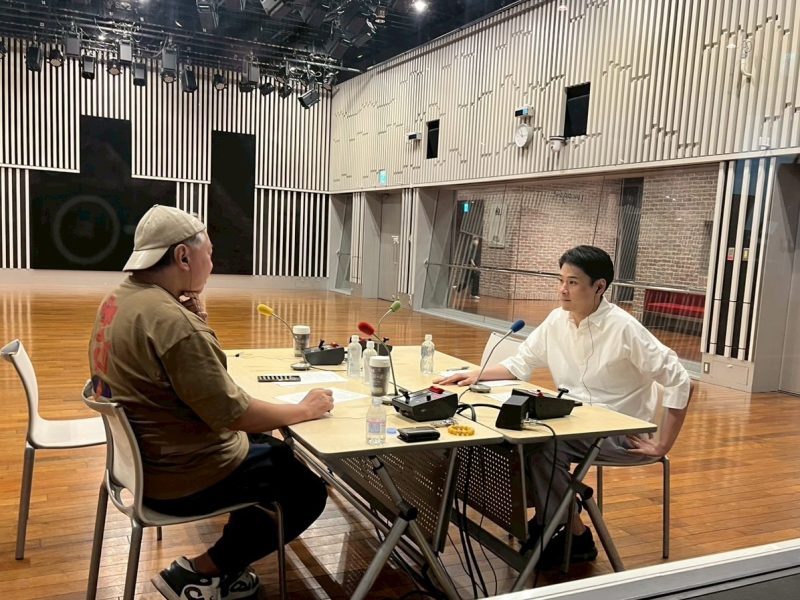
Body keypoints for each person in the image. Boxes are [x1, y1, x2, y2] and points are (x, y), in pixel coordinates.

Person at [88, 205, 334, 600]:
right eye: (210, 253)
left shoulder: (120, 300)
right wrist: (305, 409)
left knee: (269, 450)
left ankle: (226, 567)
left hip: (138, 464)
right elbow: (234, 413)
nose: (213, 264)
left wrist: (196, 319)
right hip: (179, 477)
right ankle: (201, 571)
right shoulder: (172, 322)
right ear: (183, 256)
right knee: (305, 489)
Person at [436, 245, 693, 566]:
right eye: (560, 280)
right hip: (574, 422)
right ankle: (563, 517)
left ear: (599, 287)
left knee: (545, 446)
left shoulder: (624, 328)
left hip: (618, 432)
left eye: (572, 282)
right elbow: (520, 363)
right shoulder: (557, 320)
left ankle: (572, 533)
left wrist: (664, 444)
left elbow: (681, 380)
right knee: (510, 440)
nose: (562, 289)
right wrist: (476, 373)